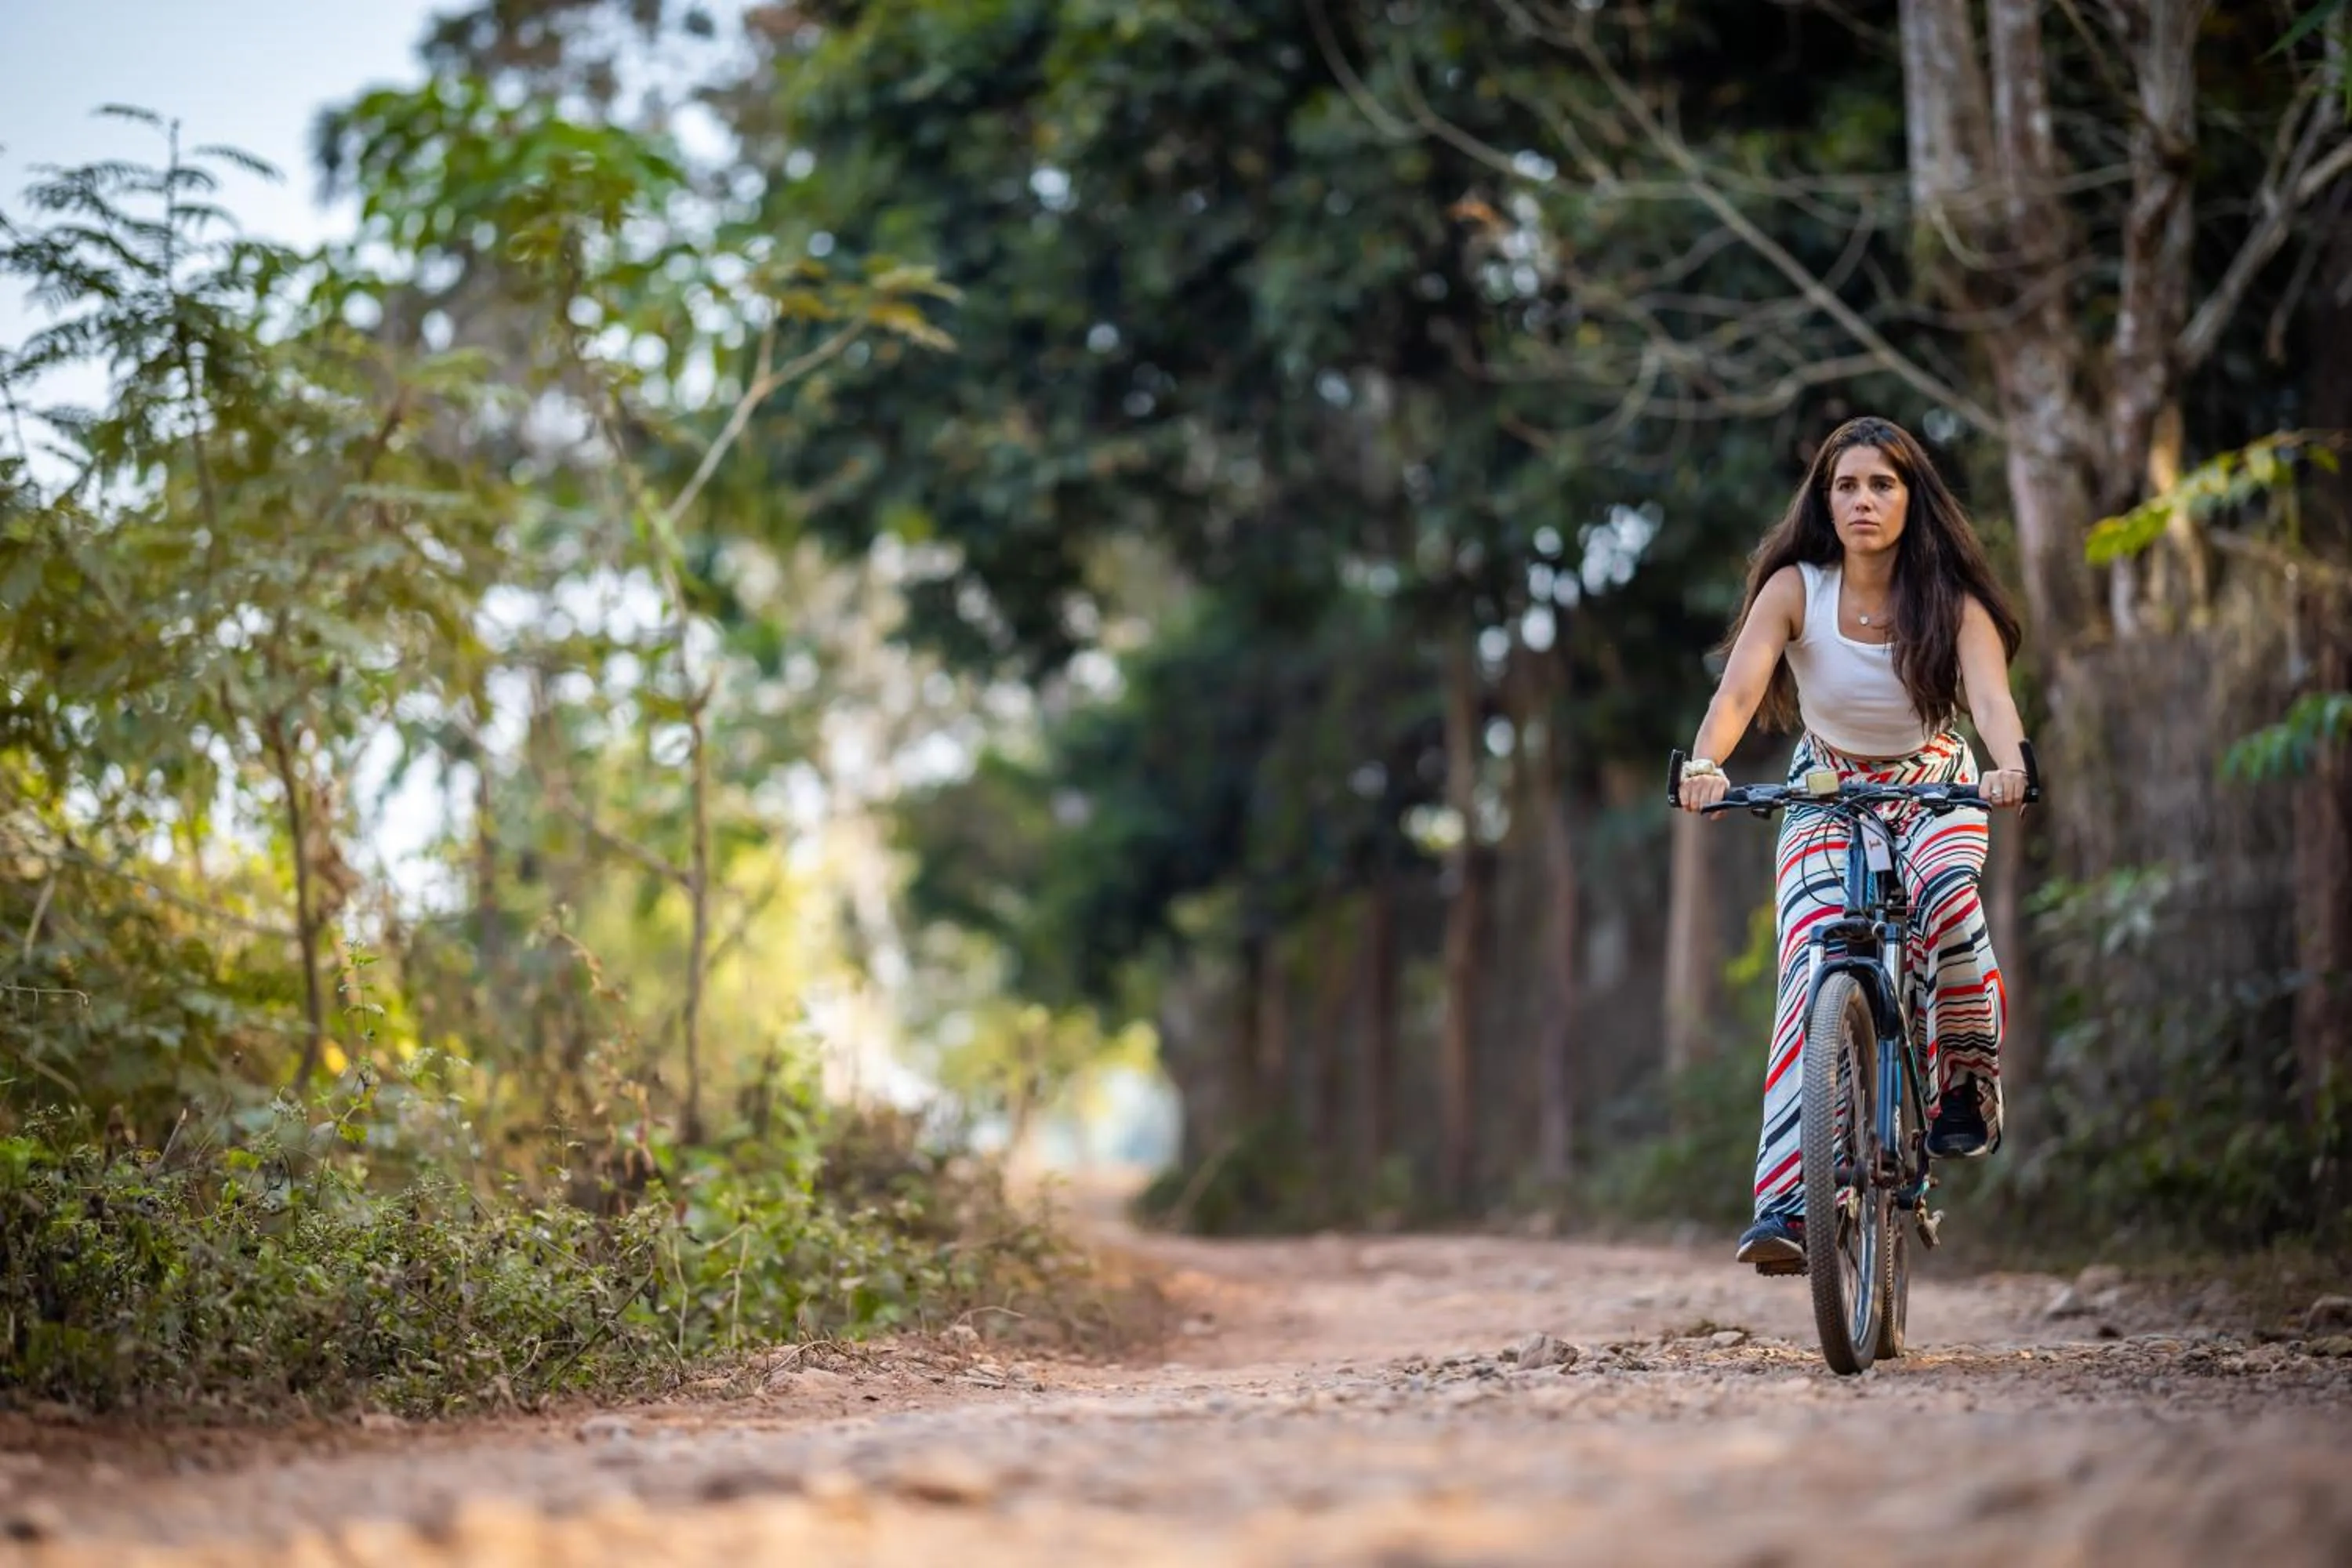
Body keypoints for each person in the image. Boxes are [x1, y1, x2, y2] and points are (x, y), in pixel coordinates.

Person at [1674, 416, 2030, 1272]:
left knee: (1946, 898)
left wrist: (2012, 765)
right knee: (1809, 961)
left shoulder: (1953, 598)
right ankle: (1794, 1207)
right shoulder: (1796, 588)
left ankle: (1963, 1081)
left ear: (1913, 498)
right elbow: (1737, 692)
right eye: (1846, 485)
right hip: (1826, 788)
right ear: (1823, 500)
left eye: (1882, 484)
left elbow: (1989, 700)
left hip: (1936, 779)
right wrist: (1704, 764)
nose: (1863, 501)